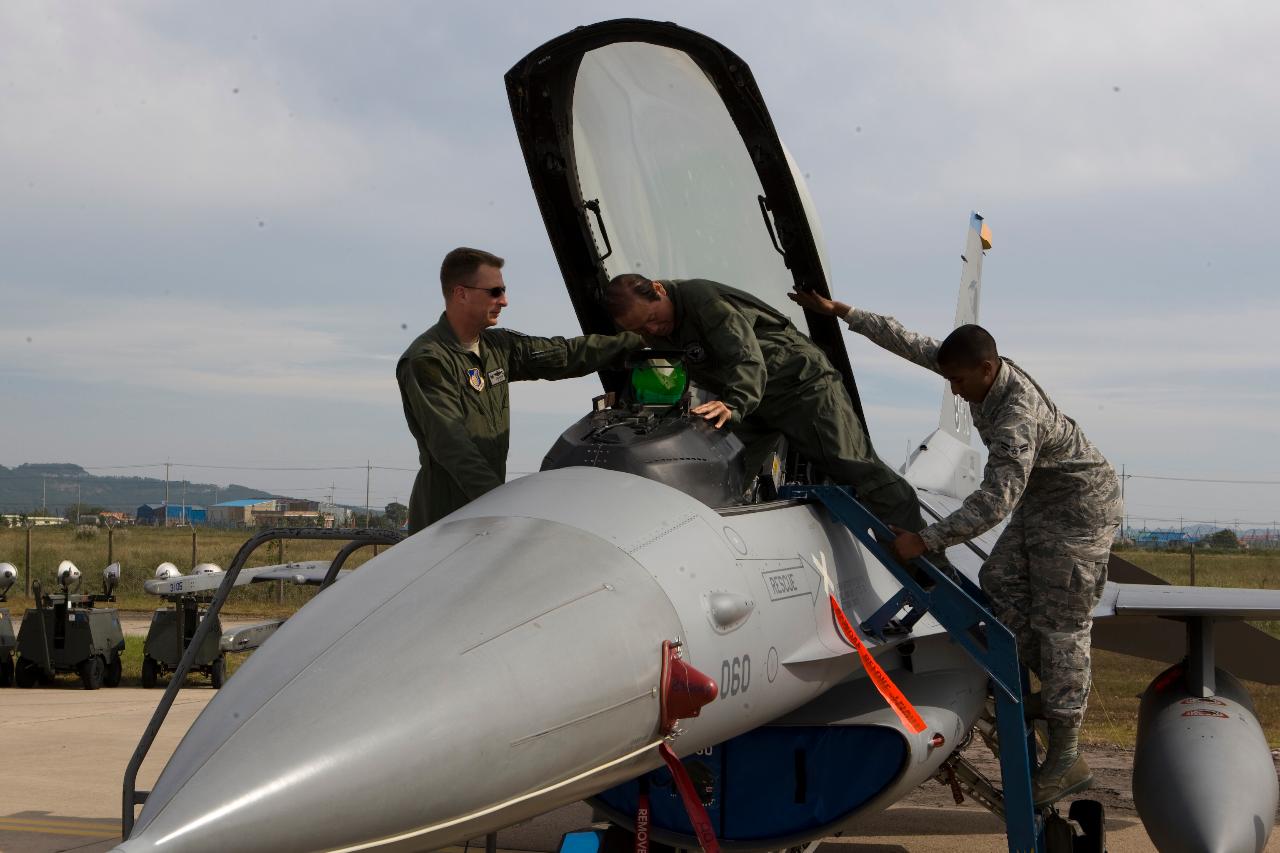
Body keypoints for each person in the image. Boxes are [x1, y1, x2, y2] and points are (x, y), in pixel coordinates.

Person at [790, 287, 1123, 806]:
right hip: (1043, 500)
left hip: (1079, 510)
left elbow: (995, 501)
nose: (957, 391)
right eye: (951, 379)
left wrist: (925, 540)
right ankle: (1055, 696)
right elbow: (916, 344)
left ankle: (1065, 755)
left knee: (1062, 626)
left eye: (962, 381)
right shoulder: (975, 370)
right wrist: (845, 314)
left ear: (987, 368)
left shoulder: (1017, 415)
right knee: (1000, 582)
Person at [603, 274, 933, 542]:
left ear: (658, 290)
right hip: (754, 402)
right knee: (721, 472)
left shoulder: (702, 300)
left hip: (802, 385)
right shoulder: (658, 328)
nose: (652, 331)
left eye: (651, 319)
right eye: (640, 330)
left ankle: (919, 553)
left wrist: (733, 404)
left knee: (853, 464)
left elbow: (745, 356)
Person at [397, 248, 642, 533]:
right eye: (494, 291)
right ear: (461, 294)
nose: (504, 301)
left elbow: (563, 354)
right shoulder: (428, 359)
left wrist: (635, 342)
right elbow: (452, 446)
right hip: (445, 517)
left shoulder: (498, 347)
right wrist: (501, 505)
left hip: (485, 508)